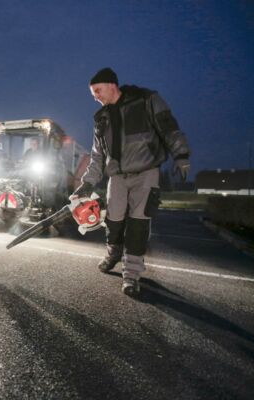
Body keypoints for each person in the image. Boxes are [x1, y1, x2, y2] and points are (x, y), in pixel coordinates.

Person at [71, 67, 190, 297]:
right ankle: (113, 253)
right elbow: (97, 156)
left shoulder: (146, 100)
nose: (95, 96)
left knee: (138, 223)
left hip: (146, 172)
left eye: (97, 90)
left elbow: (168, 126)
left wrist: (181, 155)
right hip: (117, 177)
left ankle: (131, 275)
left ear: (112, 85)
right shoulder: (101, 119)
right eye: (92, 93)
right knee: (113, 221)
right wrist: (88, 183)